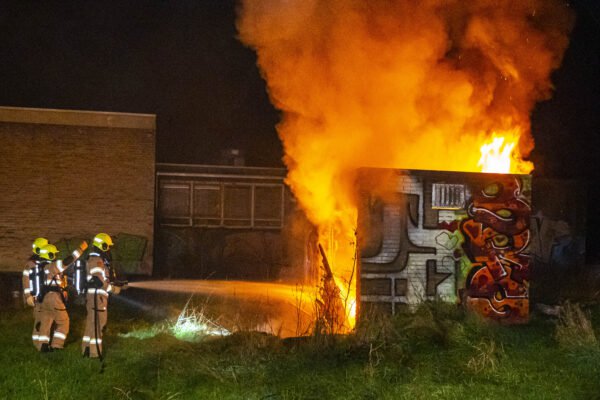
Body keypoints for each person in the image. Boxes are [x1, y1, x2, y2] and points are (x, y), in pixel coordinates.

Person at [30, 241, 87, 352]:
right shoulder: (52, 266)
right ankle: (57, 345)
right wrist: (80, 249)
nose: (55, 256)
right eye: (54, 254)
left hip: (44, 298)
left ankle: (43, 346)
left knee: (46, 322)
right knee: (63, 321)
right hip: (54, 298)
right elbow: (68, 261)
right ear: (50, 255)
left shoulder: (41, 267)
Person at [82, 233, 121, 359]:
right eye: (107, 246)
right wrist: (113, 289)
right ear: (102, 246)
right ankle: (95, 353)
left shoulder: (96, 260)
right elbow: (99, 281)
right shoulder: (97, 261)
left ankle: (86, 350)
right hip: (97, 297)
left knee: (91, 324)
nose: (108, 249)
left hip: (95, 297)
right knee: (98, 325)